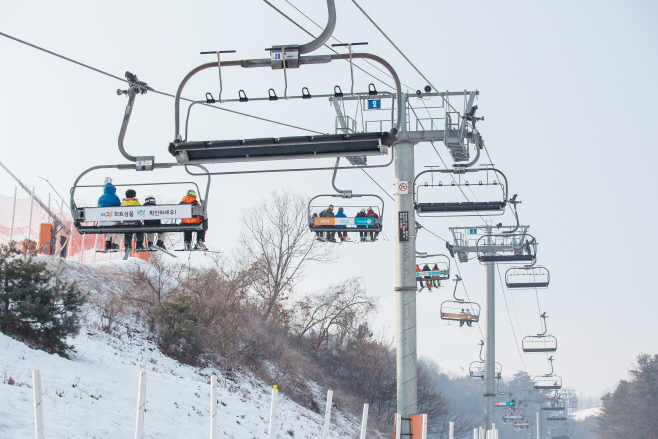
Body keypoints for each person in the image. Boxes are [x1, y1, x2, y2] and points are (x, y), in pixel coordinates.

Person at [97, 177, 121, 250]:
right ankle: (115, 243)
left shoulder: (101, 198)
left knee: (108, 226)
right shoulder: (115, 198)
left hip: (103, 221)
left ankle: (107, 243)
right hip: (113, 220)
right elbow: (119, 207)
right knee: (120, 227)